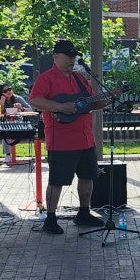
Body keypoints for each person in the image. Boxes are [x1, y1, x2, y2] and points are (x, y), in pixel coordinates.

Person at [28, 39, 106, 234]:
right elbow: (35, 100)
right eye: (68, 56)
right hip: (61, 141)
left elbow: (90, 103)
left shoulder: (80, 79)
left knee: (87, 176)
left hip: (85, 138)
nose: (72, 60)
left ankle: (84, 212)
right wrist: (61, 107)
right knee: (57, 180)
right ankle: (50, 219)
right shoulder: (46, 78)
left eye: (74, 57)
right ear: (56, 57)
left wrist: (107, 100)